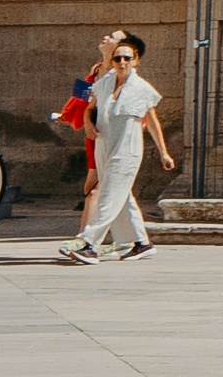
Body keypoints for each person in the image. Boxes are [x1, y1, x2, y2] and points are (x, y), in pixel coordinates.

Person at [58, 30, 162, 263]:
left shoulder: (128, 76)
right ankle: (138, 242)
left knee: (100, 190)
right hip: (96, 135)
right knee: (102, 189)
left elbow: (147, 112)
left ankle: (87, 240)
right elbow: (80, 99)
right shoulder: (96, 69)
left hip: (119, 137)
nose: (106, 38)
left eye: (113, 37)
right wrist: (75, 117)